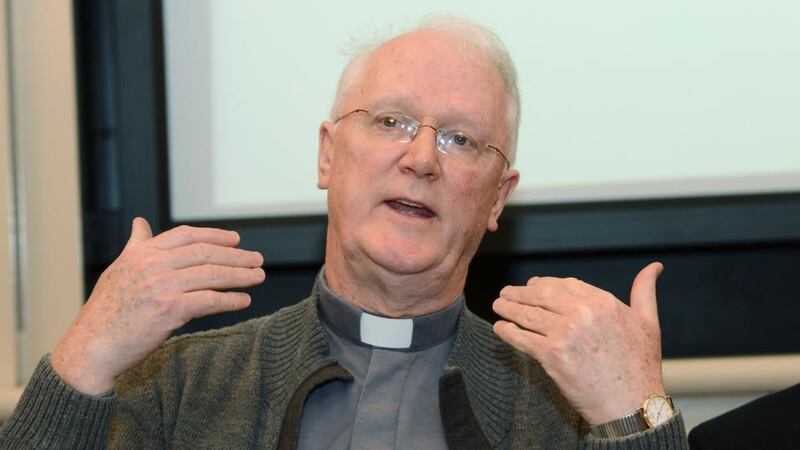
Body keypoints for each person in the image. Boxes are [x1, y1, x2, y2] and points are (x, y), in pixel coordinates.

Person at [0, 17, 687, 449]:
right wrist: (83, 358)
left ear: (496, 198)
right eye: (390, 121)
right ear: (328, 155)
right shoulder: (179, 384)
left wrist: (634, 418)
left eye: (461, 139)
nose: (420, 159)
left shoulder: (565, 405)